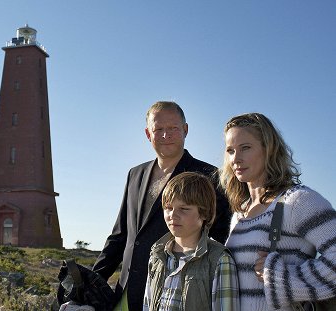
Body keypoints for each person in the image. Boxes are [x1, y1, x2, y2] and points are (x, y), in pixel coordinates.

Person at [93, 101, 232, 311]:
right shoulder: (135, 174)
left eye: (173, 128)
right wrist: (90, 281)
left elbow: (222, 236)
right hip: (125, 294)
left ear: (185, 130)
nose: (166, 135)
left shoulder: (212, 176)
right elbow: (121, 235)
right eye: (158, 129)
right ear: (148, 134)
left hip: (177, 296)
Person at [220, 112, 336, 310]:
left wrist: (283, 277)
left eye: (245, 148)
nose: (236, 158)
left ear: (269, 150)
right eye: (230, 150)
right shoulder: (240, 214)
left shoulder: (298, 201)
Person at [143, 172, 240, 311]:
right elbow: (147, 304)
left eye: (184, 209)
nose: (173, 215)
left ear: (204, 213)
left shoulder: (219, 260)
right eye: (168, 208)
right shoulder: (157, 255)